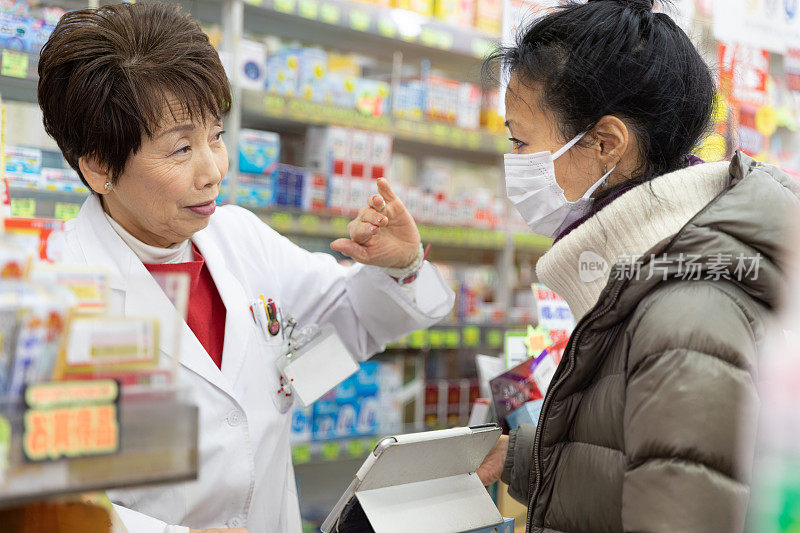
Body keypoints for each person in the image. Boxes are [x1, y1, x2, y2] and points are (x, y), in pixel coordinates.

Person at [37, 4, 454, 533]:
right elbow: (43, 501)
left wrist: (401, 268)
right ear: (99, 165)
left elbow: (350, 325)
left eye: (215, 135)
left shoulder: (239, 238)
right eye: (182, 148)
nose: (214, 170)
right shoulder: (51, 293)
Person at [476, 0, 800, 532]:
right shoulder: (649, 277)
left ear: (606, 143)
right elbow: (647, 462)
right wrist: (524, 458)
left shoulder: (685, 316)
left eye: (521, 141)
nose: (513, 163)